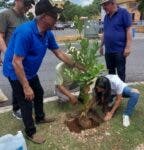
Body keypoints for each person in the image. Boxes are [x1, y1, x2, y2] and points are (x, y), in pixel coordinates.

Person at [3, 0, 84, 144]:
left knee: (39, 92)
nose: (57, 18)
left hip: (30, 71)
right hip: (16, 71)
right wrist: (26, 87)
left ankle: (40, 117)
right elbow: (16, 62)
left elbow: (58, 52)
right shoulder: (25, 32)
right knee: (27, 101)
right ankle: (31, 132)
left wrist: (76, 64)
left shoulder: (47, 34)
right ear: (44, 16)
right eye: (55, 15)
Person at [0, 0, 35, 118]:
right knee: (16, 83)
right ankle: (16, 109)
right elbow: (1, 37)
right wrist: (6, 54)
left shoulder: (25, 19)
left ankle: (24, 104)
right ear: (17, 1)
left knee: (24, 81)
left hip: (23, 57)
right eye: (27, 3)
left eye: (30, 5)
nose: (28, 7)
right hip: (12, 57)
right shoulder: (6, 14)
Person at [100, 0, 132, 82]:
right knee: (111, 73)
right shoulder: (106, 16)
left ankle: (121, 92)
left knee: (121, 72)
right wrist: (101, 46)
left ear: (112, 3)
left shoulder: (123, 13)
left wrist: (128, 47)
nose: (103, 7)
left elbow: (128, 30)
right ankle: (113, 90)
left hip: (119, 50)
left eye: (105, 5)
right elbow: (105, 32)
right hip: (108, 50)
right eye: (103, 5)